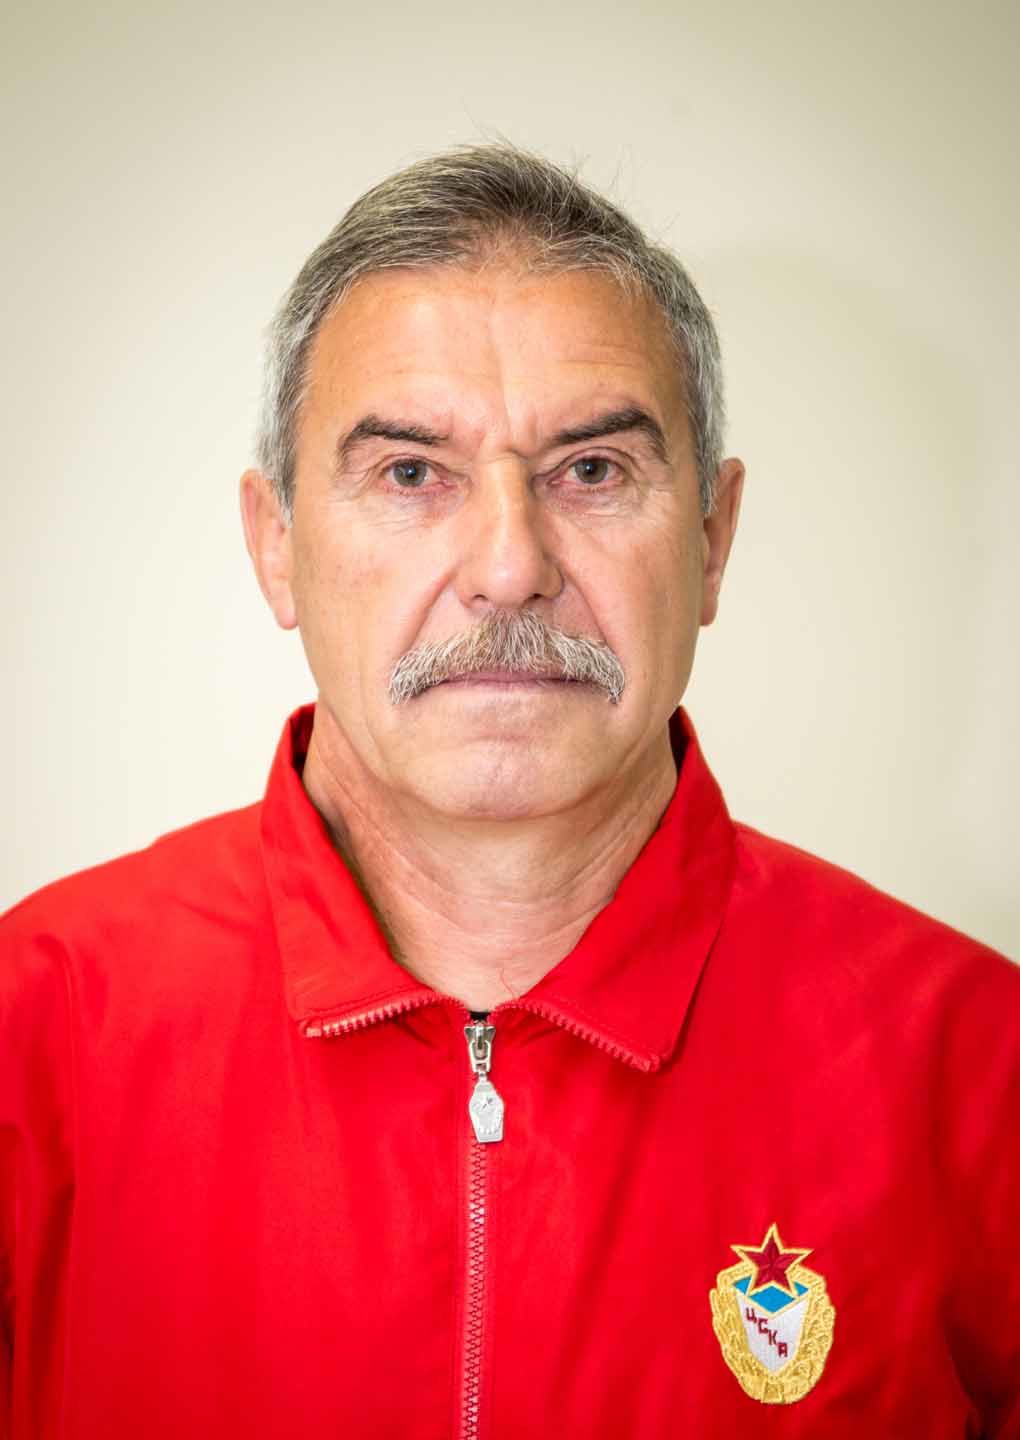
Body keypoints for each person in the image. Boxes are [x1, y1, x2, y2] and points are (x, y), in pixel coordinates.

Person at [2, 143, 1017, 1440]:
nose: (508, 566)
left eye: (591, 471)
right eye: (410, 473)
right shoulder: (34, 1034)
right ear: (277, 545)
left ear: (712, 539)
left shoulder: (980, 1071)